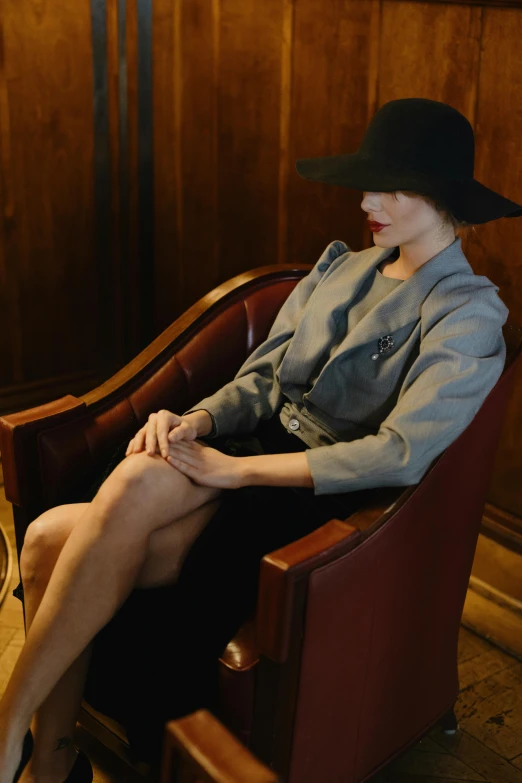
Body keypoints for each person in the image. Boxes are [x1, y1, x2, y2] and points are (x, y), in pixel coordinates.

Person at [2, 97, 521, 783]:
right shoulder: (341, 266)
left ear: (443, 197)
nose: (368, 199)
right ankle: (43, 753)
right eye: (368, 182)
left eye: (390, 186)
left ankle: (15, 733)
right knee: (54, 529)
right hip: (248, 448)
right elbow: (261, 378)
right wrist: (196, 422)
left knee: (64, 529)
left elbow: (401, 451)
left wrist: (234, 473)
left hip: (318, 498)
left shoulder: (466, 311)